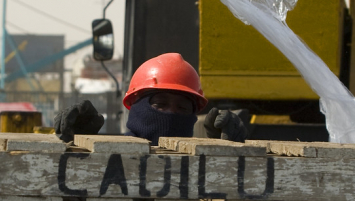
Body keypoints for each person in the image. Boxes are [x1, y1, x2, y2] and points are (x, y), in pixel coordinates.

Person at [54, 53, 246, 145]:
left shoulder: (199, 167)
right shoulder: (111, 154)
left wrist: (227, 150)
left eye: (182, 108)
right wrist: (78, 143)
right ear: (135, 105)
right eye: (160, 104)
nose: (171, 114)